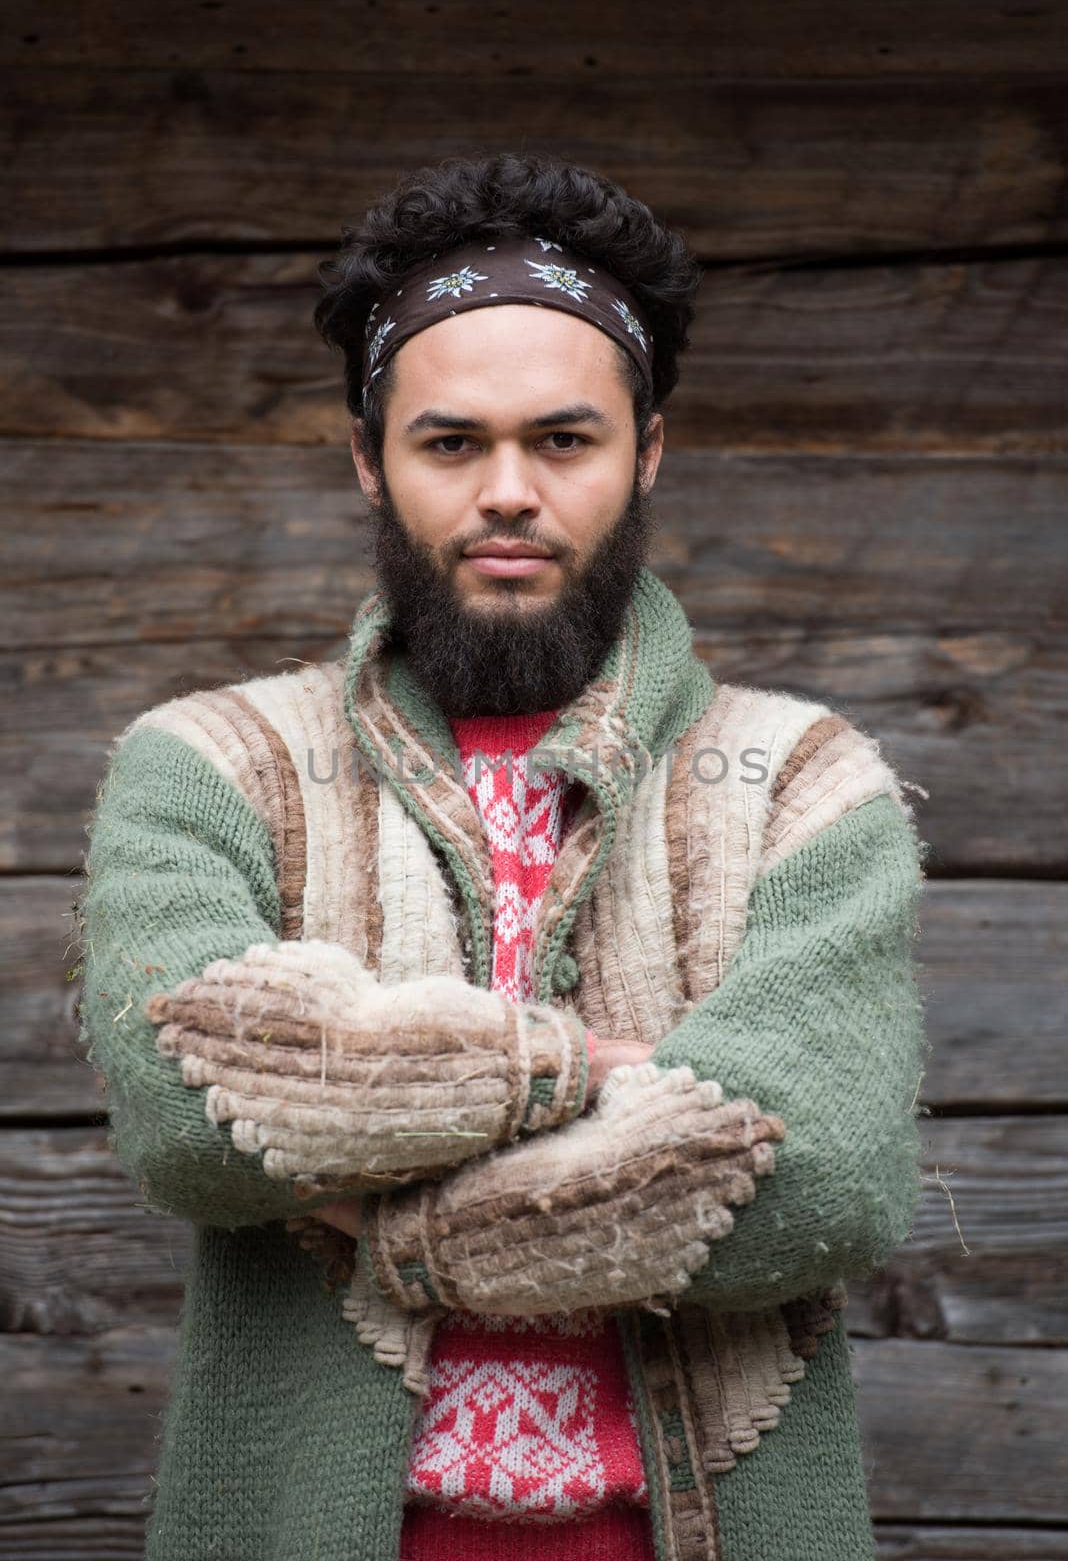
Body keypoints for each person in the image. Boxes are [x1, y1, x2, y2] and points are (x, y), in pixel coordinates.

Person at [74, 151, 929, 1561]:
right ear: (370, 459)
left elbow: (821, 1183)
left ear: (650, 450)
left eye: (567, 440)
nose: (511, 491)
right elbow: (188, 1115)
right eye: (453, 442)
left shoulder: (804, 784)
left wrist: (368, 1169)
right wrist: (598, 1081)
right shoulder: (215, 765)